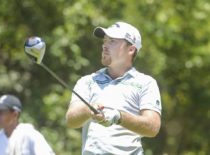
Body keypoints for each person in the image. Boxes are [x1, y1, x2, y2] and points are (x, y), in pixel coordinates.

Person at [66, 21, 162, 155]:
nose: (104, 45)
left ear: (131, 49)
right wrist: (89, 109)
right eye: (104, 41)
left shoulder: (146, 83)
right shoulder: (87, 81)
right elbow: (71, 120)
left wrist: (119, 117)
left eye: (112, 41)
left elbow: (152, 127)